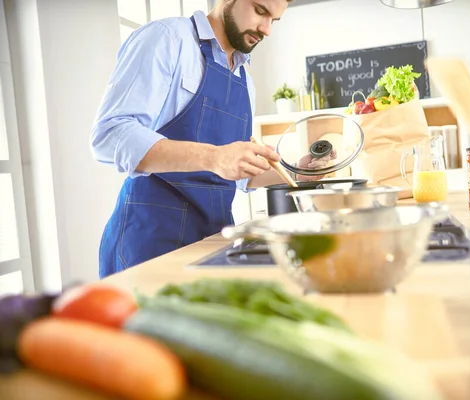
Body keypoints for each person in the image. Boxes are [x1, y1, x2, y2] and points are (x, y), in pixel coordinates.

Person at [91, 0, 335, 278]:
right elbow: (110, 135)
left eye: (274, 20)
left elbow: (239, 175)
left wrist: (297, 173)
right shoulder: (168, 39)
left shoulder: (245, 81)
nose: (266, 29)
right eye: (260, 11)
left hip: (212, 242)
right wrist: (214, 157)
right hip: (149, 242)